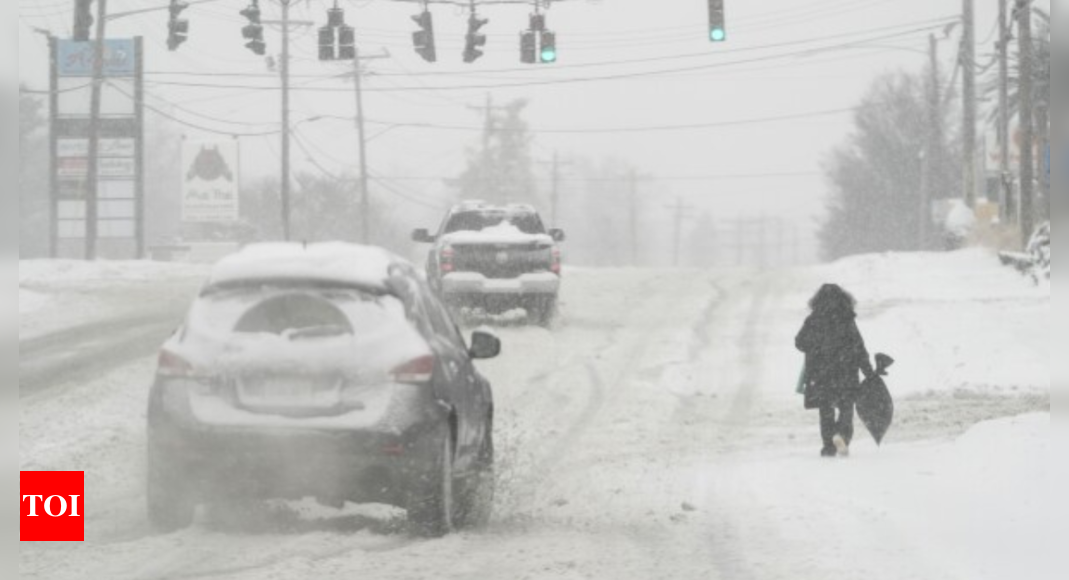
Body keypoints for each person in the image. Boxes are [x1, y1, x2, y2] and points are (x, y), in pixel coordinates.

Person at [795, 284, 875, 458]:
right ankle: (842, 436)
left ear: (818, 300)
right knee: (846, 409)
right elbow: (858, 347)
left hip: (821, 373)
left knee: (826, 411)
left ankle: (828, 446)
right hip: (846, 372)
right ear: (843, 299)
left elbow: (799, 342)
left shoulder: (813, 319)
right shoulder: (847, 319)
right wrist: (868, 370)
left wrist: (816, 346)